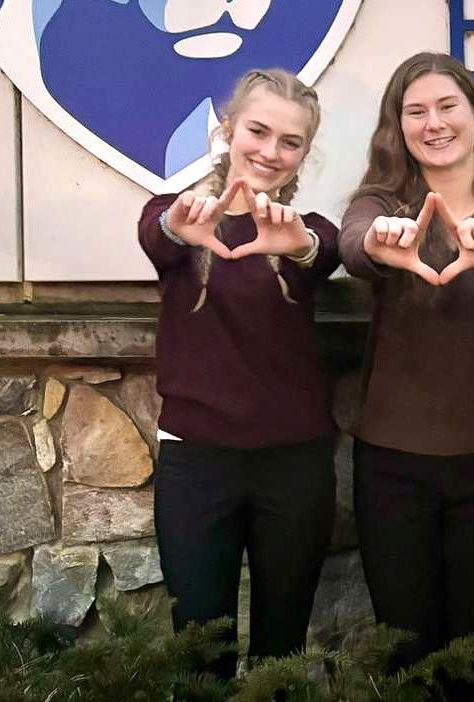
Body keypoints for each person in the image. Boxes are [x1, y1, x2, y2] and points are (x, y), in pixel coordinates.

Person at [338, 51, 474, 680]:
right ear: (398, 128)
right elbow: (354, 242)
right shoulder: (382, 204)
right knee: (405, 652)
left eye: (447, 106)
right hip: (391, 463)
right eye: (416, 111)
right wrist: (382, 241)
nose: (433, 123)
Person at [138, 68, 340, 678]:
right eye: (258, 131)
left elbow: (319, 253)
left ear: (305, 152)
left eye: (290, 141)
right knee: (200, 653)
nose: (271, 151)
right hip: (197, 465)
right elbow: (158, 234)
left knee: (281, 655)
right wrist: (180, 225)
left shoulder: (309, 231)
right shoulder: (173, 214)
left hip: (296, 467)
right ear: (228, 129)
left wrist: (297, 244)